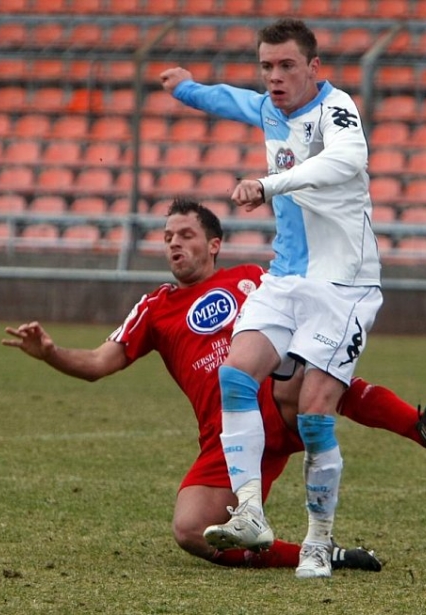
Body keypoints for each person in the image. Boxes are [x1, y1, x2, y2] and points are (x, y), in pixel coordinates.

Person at [2, 199, 426, 572]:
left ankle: (418, 427)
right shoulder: (155, 308)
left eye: (186, 235)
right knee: (190, 531)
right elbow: (99, 363)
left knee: (308, 378)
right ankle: (315, 553)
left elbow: (311, 322)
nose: (174, 244)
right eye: (167, 238)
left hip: (277, 400)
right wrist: (51, 352)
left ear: (214, 244)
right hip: (228, 439)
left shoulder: (253, 278)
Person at [161, 19, 384, 578]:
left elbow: (348, 162)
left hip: (344, 284)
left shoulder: (337, 110)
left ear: (314, 68)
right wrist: (186, 88)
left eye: (287, 66)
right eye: (267, 66)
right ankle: (252, 512)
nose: (275, 78)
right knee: (236, 376)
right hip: (286, 276)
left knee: (313, 416)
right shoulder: (266, 106)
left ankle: (318, 541)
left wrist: (268, 184)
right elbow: (229, 98)